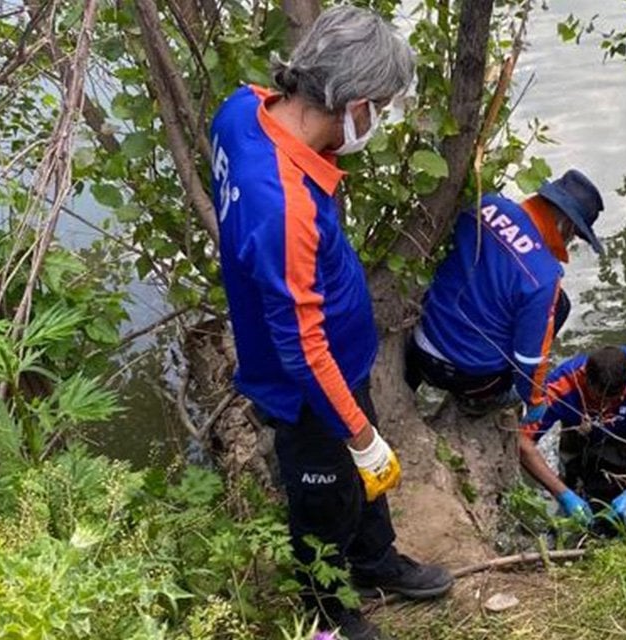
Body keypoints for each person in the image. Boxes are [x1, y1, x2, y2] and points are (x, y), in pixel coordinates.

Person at [209, 7, 451, 639]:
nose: (379, 121)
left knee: (362, 481)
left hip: (338, 365)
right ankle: (328, 605)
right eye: (381, 108)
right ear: (354, 104)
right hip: (305, 386)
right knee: (324, 493)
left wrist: (361, 430)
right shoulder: (282, 203)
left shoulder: (242, 109)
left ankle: (374, 560)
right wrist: (360, 436)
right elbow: (301, 346)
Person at [405, 170, 604, 417]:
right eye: (575, 235)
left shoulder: (485, 204)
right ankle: (476, 404)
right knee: (558, 306)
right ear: (567, 226)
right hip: (467, 377)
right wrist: (535, 401)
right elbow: (529, 359)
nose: (571, 241)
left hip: (419, 343)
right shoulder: (544, 277)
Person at [517, 346, 626, 527]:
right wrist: (562, 494)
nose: (606, 407)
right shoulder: (560, 387)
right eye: (599, 398)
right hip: (579, 434)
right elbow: (522, 442)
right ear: (586, 380)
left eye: (615, 398)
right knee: (573, 485)